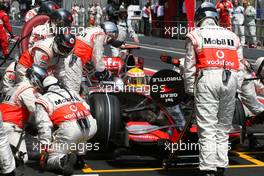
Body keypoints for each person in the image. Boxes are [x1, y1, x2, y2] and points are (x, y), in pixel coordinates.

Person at [184, 2, 243, 176]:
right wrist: (236, 88)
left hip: (207, 79)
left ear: (199, 18)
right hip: (230, 80)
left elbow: (189, 67)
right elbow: (239, 67)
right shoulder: (233, 36)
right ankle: (220, 167)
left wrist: (189, 90)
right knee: (223, 127)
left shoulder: (194, 35)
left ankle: (208, 169)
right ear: (215, 18)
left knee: (208, 127)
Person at [34, 76, 97, 175]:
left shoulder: (42, 100)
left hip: (70, 131)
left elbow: (44, 126)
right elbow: (87, 107)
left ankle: (63, 160)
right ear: (58, 84)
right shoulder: (71, 92)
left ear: (44, 88)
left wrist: (45, 147)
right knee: (80, 135)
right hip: (91, 125)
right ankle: (80, 157)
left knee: (49, 160)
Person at [0, 65, 47, 166]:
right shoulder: (27, 90)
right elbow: (37, 112)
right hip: (11, 127)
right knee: (21, 158)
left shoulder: (17, 86)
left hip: (7, 125)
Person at [70, 21, 118, 92]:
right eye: (111, 38)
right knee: (75, 89)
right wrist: (104, 72)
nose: (110, 40)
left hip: (72, 57)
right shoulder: (100, 34)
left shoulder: (91, 29)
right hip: (76, 62)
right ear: (108, 33)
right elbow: (97, 57)